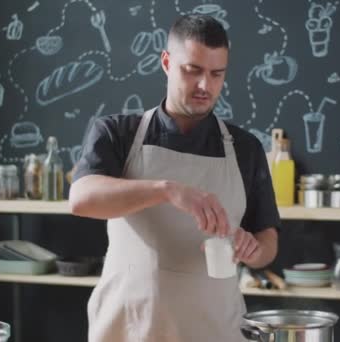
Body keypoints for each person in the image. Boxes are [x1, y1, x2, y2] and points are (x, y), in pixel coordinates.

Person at [69, 14, 280, 341]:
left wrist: (255, 250)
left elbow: (267, 238)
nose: (204, 86)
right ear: (167, 62)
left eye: (216, 74)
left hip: (217, 331)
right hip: (129, 329)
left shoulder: (246, 148)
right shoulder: (117, 133)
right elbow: (82, 199)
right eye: (192, 70)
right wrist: (166, 190)